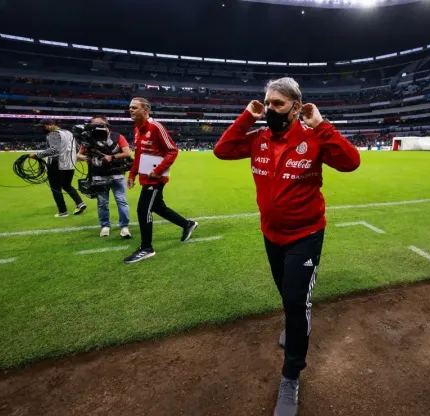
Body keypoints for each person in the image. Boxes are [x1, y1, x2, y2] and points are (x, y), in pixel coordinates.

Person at [214, 77, 360, 416]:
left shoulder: (313, 137)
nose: (269, 110)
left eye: (277, 105)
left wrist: (322, 125)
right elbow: (222, 151)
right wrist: (246, 117)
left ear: (296, 107)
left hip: (306, 234)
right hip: (271, 234)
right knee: (286, 292)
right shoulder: (259, 138)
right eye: (267, 104)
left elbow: (350, 162)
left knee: (296, 301)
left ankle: (291, 375)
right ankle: (293, 325)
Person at [123, 97, 199, 264]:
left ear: (146, 110)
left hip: (155, 179)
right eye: (130, 107)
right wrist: (131, 175)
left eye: (135, 107)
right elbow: (138, 156)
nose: (131, 110)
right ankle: (187, 224)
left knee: (144, 210)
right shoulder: (137, 129)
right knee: (158, 206)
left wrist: (157, 171)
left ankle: (146, 248)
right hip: (145, 177)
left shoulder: (156, 127)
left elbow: (172, 150)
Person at [77, 115, 132, 238]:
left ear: (106, 125)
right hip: (98, 175)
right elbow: (79, 155)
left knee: (121, 201)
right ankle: (105, 226)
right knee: (102, 203)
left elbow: (127, 153)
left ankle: (124, 226)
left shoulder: (117, 137)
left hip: (117, 174)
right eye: (93, 124)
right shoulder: (89, 138)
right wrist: (87, 158)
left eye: (98, 124)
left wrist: (112, 157)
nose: (95, 127)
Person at [30, 119, 86, 217]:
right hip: (70, 163)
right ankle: (80, 203)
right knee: (66, 185)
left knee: (55, 188)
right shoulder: (69, 133)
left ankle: (62, 211)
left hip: (56, 164)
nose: (43, 128)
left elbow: (54, 150)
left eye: (44, 126)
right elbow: (77, 148)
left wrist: (37, 155)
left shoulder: (53, 134)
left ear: (51, 125)